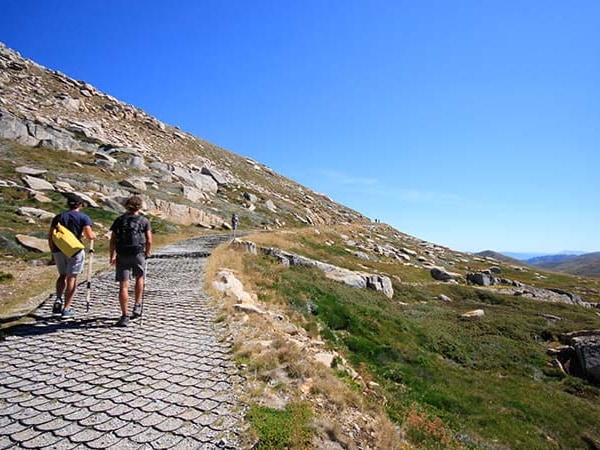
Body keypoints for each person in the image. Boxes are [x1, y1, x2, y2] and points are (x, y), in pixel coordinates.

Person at [48, 194, 96, 320]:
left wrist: (53, 251)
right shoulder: (83, 218)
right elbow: (89, 235)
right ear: (80, 205)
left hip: (59, 249)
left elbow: (51, 235)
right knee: (72, 278)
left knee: (62, 275)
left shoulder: (58, 217)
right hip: (74, 250)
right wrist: (93, 235)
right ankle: (67, 308)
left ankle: (58, 299)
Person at [109, 195, 152, 327]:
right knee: (139, 277)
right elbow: (149, 240)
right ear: (140, 206)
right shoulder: (144, 221)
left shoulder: (119, 220)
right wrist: (147, 252)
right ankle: (137, 305)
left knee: (123, 285)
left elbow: (112, 240)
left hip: (122, 253)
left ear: (126, 206)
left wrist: (112, 256)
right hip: (138, 252)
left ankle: (124, 315)